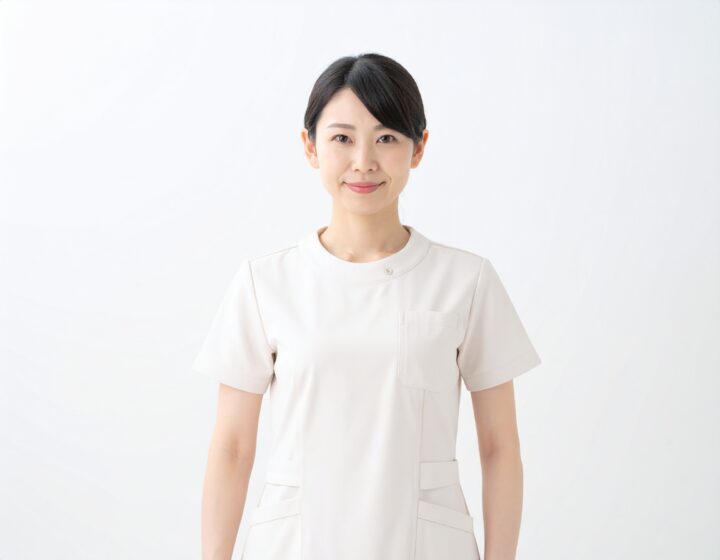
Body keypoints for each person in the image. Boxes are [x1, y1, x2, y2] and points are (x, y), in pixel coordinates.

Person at [193, 52, 542, 560]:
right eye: (341, 138)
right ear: (310, 146)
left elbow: (499, 447)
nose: (363, 161)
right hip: (294, 544)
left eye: (386, 138)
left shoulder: (465, 282)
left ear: (418, 148)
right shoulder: (265, 283)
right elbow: (232, 447)